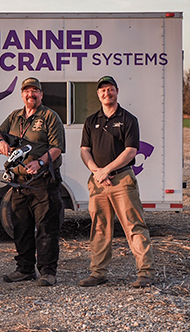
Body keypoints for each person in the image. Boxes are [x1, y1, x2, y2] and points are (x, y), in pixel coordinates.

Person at [79, 76, 155, 288]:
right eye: (103, 90)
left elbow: (131, 151)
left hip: (122, 179)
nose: (106, 93)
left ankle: (145, 273)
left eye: (110, 89)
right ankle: (98, 273)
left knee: (134, 225)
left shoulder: (129, 119)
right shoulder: (90, 121)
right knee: (99, 228)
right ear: (98, 95)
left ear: (117, 91)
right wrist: (97, 172)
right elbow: (84, 150)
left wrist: (107, 170)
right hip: (98, 182)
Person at [0, 77, 65, 287]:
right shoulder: (15, 117)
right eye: (26, 91)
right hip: (19, 183)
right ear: (22, 94)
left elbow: (56, 148)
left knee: (46, 228)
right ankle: (25, 269)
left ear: (41, 94)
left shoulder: (50, 116)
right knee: (21, 228)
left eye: (34, 91)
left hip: (42, 181)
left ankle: (48, 272)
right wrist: (1, 143)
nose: (30, 94)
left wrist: (40, 163)